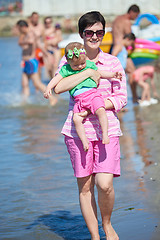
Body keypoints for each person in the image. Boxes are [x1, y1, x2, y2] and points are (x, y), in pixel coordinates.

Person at [51, 11, 127, 240]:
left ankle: (107, 224)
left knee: (104, 184)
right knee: (85, 187)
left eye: (99, 32)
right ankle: (95, 235)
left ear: (104, 33)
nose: (94, 36)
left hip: (107, 130)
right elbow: (58, 87)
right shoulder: (68, 60)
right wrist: (89, 72)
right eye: (89, 32)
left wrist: (97, 105)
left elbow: (121, 97)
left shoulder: (112, 61)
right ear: (81, 34)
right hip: (77, 132)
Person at [44, 41, 122, 151]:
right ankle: (84, 141)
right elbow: (56, 80)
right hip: (79, 101)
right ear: (68, 61)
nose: (80, 66)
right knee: (76, 119)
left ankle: (105, 134)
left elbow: (101, 73)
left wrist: (112, 75)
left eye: (82, 63)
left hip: (93, 95)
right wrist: (48, 88)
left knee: (101, 110)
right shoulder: (66, 69)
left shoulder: (89, 64)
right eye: (76, 65)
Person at [16, 20, 57, 106]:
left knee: (37, 83)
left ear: (23, 27)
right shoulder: (25, 35)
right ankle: (24, 102)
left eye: (19, 28)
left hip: (31, 62)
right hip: (26, 62)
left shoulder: (31, 34)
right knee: (24, 84)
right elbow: (37, 44)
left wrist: (47, 55)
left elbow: (33, 42)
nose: (18, 31)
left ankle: (52, 98)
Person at [112, 4, 140, 103]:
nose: (135, 19)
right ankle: (135, 98)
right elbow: (130, 37)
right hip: (122, 49)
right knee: (133, 72)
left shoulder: (116, 19)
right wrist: (134, 48)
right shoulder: (127, 22)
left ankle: (123, 98)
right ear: (132, 12)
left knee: (118, 76)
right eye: (136, 16)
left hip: (115, 46)